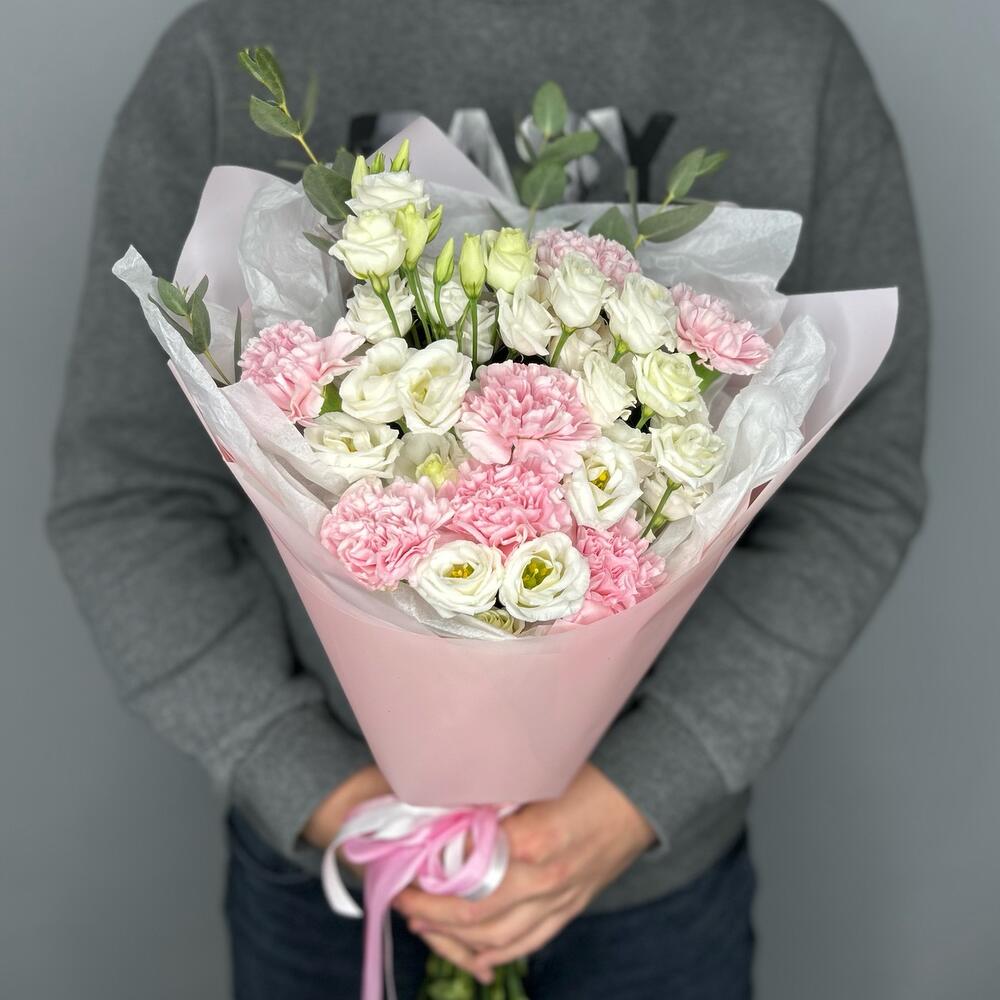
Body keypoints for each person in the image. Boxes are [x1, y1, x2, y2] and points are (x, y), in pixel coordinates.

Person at [48, 1, 928, 997]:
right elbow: (129, 492)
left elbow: (852, 490)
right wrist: (329, 791)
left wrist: (642, 786)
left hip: (651, 884)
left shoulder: (784, 50)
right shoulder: (233, 43)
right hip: (337, 879)